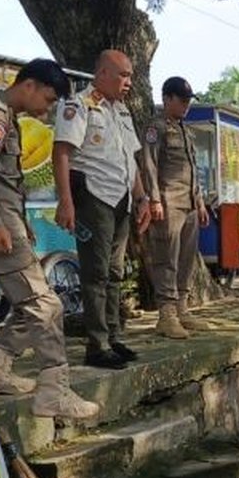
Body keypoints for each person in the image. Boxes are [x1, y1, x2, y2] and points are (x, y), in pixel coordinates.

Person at [0, 58, 99, 420]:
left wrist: (20, 221)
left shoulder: (9, 120)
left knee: (31, 302)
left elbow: (3, 182)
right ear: (29, 86)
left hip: (9, 226)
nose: (48, 108)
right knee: (47, 306)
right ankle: (54, 390)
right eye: (49, 99)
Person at [53, 49, 151, 370]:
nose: (128, 82)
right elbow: (63, 154)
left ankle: (113, 335)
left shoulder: (121, 111)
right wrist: (66, 201)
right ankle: (96, 345)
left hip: (121, 197)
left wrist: (142, 198)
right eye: (123, 75)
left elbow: (131, 160)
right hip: (94, 196)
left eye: (130, 76)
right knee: (95, 272)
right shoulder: (79, 105)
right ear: (103, 72)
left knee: (114, 272)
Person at [139, 76, 209, 340]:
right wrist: (154, 199)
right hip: (168, 202)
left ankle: (182, 307)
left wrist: (200, 203)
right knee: (166, 257)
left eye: (188, 100)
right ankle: (166, 313)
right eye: (181, 100)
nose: (186, 105)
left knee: (186, 258)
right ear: (167, 98)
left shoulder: (185, 131)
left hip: (189, 203)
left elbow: (194, 171)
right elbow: (149, 164)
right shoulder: (156, 128)